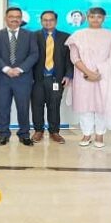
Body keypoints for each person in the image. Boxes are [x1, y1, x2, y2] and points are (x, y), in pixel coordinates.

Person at [67, 8, 111, 148]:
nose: (95, 19)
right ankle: (86, 134)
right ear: (87, 18)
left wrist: (99, 72)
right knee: (85, 107)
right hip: (83, 76)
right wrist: (88, 72)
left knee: (101, 106)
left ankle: (100, 134)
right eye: (92, 16)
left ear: (104, 18)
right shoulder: (78, 35)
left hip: (104, 77)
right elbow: (74, 57)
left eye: (99, 17)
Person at [0, 7, 39, 146]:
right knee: (2, 108)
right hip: (3, 78)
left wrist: (20, 69)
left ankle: (24, 134)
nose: (14, 19)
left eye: (18, 17)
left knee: (23, 108)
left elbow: (34, 54)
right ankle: (3, 134)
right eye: (11, 16)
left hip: (23, 78)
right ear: (6, 18)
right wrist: (6, 69)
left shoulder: (30, 35)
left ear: (21, 19)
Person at [30, 11, 72, 144]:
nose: (48, 22)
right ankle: (38, 131)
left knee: (54, 105)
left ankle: (54, 132)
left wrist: (68, 75)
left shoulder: (66, 37)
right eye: (45, 20)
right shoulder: (33, 36)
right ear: (41, 21)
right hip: (36, 79)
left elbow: (69, 59)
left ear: (56, 21)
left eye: (51, 20)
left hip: (56, 79)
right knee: (37, 105)